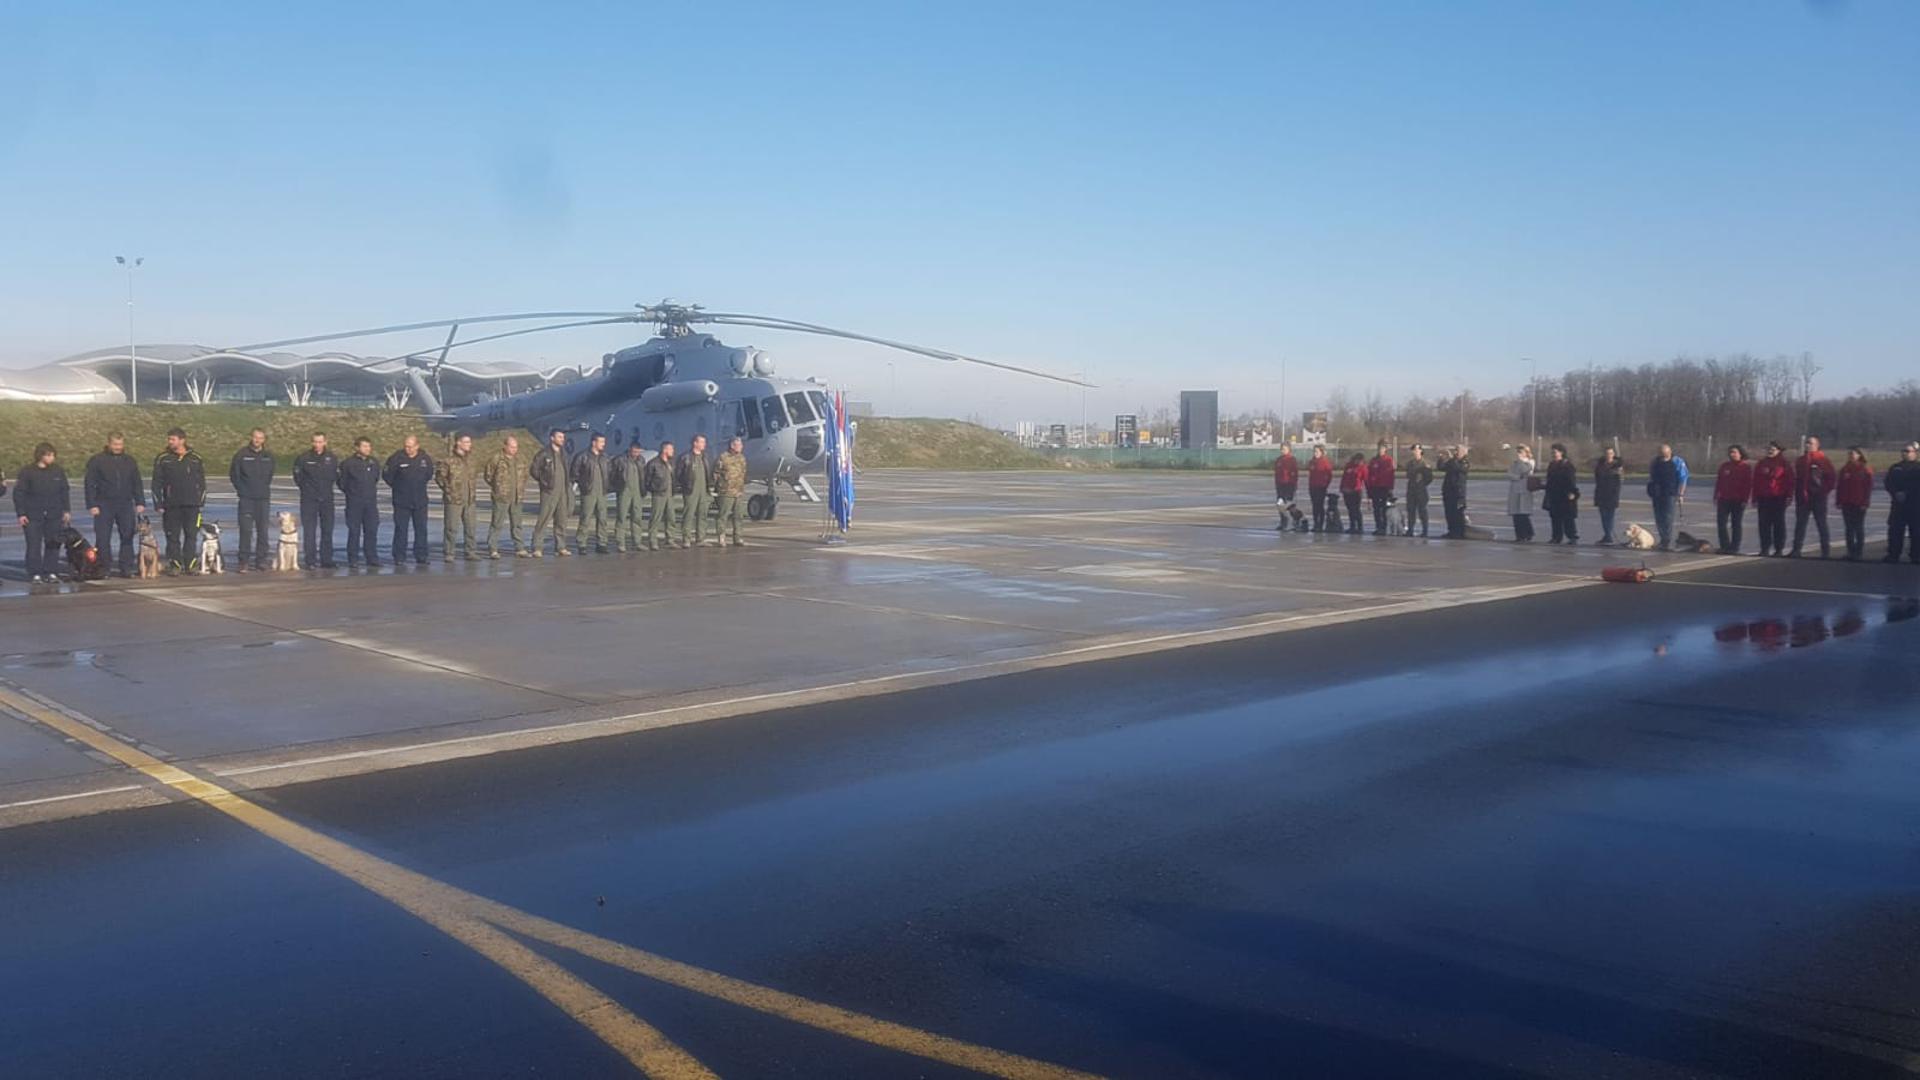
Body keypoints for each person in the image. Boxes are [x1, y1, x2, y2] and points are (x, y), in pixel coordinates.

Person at [84, 433, 146, 577]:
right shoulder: (97, 461)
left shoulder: (129, 461)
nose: (118, 447)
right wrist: (92, 504)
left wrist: (140, 501)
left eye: (120, 444)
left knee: (127, 535)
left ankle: (126, 567)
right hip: (104, 504)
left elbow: (137, 482)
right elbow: (89, 483)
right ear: (109, 444)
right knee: (102, 538)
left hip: (125, 503)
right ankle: (104, 568)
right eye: (115, 444)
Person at [13, 442, 70, 583]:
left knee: (53, 543)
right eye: (49, 455)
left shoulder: (58, 471)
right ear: (40, 456)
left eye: (53, 455)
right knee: (34, 545)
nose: (52, 458)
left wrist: (66, 510)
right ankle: (35, 573)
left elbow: (64, 491)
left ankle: (51, 571)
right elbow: (19, 493)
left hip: (54, 514)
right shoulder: (27, 472)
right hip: (33, 515)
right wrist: (21, 513)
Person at [151, 428, 206, 573]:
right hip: (172, 505)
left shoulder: (195, 458)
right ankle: (175, 564)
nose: (170, 442)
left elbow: (201, 482)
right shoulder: (163, 458)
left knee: (191, 535)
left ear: (182, 440)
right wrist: (158, 503)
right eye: (169, 439)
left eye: (173, 439)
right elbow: (156, 483)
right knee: (172, 536)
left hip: (192, 505)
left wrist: (201, 501)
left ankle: (190, 564)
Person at [229, 428, 276, 573]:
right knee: (246, 530)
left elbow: (270, 475)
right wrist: (242, 490)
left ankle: (261, 560)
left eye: (260, 438)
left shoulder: (268, 456)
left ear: (264, 439)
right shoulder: (241, 455)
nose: (257, 440)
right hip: (247, 499)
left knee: (263, 531)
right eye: (255, 437)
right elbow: (234, 475)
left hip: (263, 498)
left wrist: (262, 488)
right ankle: (243, 561)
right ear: (251, 437)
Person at [383, 435, 434, 566]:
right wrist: (399, 487)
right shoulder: (396, 458)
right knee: (401, 529)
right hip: (401, 500)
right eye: (406, 446)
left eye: (410, 447)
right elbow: (387, 476)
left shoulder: (425, 459)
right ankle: (399, 556)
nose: (408, 449)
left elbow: (428, 474)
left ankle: (421, 555)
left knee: (421, 529)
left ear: (417, 446)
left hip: (420, 500)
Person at [292, 432, 339, 569]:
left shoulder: (332, 458)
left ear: (325, 442)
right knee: (309, 530)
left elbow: (336, 476)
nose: (318, 444)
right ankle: (310, 560)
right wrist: (306, 489)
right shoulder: (304, 458)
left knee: (327, 530)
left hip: (327, 499)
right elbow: (298, 476)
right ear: (312, 442)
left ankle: (326, 559)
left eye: (320, 442)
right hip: (309, 499)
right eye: (315, 442)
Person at [338, 436, 383, 569]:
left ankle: (372, 557)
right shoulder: (348, 464)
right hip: (354, 502)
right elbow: (342, 483)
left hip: (370, 502)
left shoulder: (374, 462)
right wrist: (352, 492)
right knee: (354, 531)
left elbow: (375, 478)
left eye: (369, 446)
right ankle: (353, 559)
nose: (367, 449)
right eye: (364, 446)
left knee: (371, 530)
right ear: (357, 448)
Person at [434, 432, 480, 561]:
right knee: (451, 527)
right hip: (454, 499)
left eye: (470, 442)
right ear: (458, 443)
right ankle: (449, 552)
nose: (469, 444)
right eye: (466, 442)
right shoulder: (448, 461)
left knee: (471, 527)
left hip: (469, 499)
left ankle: (470, 551)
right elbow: (440, 478)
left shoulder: (472, 460)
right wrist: (449, 490)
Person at [528, 429, 574, 558]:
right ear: (552, 438)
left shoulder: (564, 454)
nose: (562, 440)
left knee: (561, 520)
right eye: (559, 437)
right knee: (544, 519)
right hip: (549, 491)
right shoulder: (544, 454)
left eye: (563, 437)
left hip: (562, 491)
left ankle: (561, 547)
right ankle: (537, 547)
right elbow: (534, 470)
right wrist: (544, 482)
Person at [1790, 435, 1836, 559]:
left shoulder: (1822, 460)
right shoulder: (1801, 460)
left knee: (1821, 523)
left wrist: (1823, 491)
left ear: (1817, 445)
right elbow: (1797, 478)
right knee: (1800, 524)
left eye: (1810, 443)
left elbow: (1831, 478)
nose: (1808, 445)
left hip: (1817, 497)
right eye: (1807, 443)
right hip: (1803, 497)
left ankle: (1825, 550)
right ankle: (1796, 549)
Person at [483, 435, 529, 559]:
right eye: (512, 447)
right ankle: (493, 548)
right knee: (497, 523)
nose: (514, 449)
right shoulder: (496, 459)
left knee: (517, 524)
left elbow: (525, 475)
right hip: (501, 497)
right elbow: (488, 475)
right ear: (505, 446)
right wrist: (498, 487)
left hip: (517, 496)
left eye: (516, 447)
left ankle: (520, 548)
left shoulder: (520, 459)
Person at [1751, 442, 1793, 557]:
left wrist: (1789, 496)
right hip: (1763, 498)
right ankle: (1764, 548)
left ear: (1779, 451)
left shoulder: (1784, 464)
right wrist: (1754, 497)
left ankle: (1779, 549)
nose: (1770, 451)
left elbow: (1790, 481)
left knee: (1778, 524)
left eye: (1773, 449)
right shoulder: (1761, 463)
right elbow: (1756, 481)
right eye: (1769, 449)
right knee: (1763, 524)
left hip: (1778, 497)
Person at [571, 432, 611, 554]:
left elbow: (609, 471)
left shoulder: (605, 457)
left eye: (604, 442)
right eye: (601, 442)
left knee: (603, 518)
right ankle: (582, 543)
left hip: (602, 492)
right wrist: (582, 484)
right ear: (594, 442)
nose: (603, 444)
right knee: (585, 518)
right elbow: (574, 473)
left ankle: (602, 543)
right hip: (588, 492)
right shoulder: (582, 456)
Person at [677, 434, 717, 547]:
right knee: (689, 514)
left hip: (703, 490)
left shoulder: (705, 457)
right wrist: (684, 485)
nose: (704, 444)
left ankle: (701, 538)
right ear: (695, 443)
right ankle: (686, 539)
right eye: (702, 442)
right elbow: (679, 474)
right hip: (691, 490)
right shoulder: (686, 457)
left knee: (702, 514)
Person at [1712, 445, 1753, 555]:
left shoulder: (1745, 467)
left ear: (1740, 454)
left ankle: (1734, 547)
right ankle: (1725, 546)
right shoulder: (1724, 466)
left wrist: (1745, 499)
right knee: (1721, 523)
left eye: (1734, 452)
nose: (1732, 454)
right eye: (1730, 452)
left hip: (1738, 500)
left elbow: (1748, 485)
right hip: (1724, 499)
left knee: (1736, 524)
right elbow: (1719, 482)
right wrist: (1716, 496)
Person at [609, 440, 648, 553]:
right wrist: (616, 487)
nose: (636, 454)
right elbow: (612, 474)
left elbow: (643, 476)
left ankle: (637, 542)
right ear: (630, 449)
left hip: (637, 491)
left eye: (638, 452)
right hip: (624, 491)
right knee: (622, 517)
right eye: (634, 451)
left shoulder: (641, 460)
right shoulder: (620, 460)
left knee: (637, 517)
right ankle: (620, 543)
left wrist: (643, 489)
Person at [1835, 446, 1873, 562]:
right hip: (1846, 502)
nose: (1851, 456)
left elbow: (1868, 488)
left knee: (1858, 527)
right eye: (1850, 454)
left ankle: (1858, 552)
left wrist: (1865, 502)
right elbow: (1840, 486)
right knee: (1849, 528)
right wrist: (1839, 501)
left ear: (1859, 455)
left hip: (1859, 502)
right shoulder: (1845, 469)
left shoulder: (1865, 469)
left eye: (1854, 454)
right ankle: (1850, 551)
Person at [1885, 441, 1920, 565]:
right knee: (1895, 530)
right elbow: (1888, 482)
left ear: (1915, 453)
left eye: (1908, 451)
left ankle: (1916, 555)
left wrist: (1907, 493)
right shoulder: (1895, 467)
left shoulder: (1918, 468)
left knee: (1916, 531)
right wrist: (1895, 493)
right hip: (1898, 504)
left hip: (1914, 505)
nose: (1905, 453)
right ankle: (1893, 554)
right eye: (1903, 451)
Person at [642, 440, 679, 550]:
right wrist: (654, 489)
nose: (673, 451)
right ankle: (653, 541)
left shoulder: (671, 463)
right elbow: (647, 479)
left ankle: (670, 540)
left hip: (669, 494)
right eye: (671, 449)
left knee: (671, 518)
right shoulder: (653, 463)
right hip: (658, 494)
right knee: (656, 518)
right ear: (665, 450)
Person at [714, 436, 750, 547]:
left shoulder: (742, 458)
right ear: (732, 445)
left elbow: (743, 472)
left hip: (738, 492)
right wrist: (720, 486)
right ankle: (721, 537)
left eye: (741, 445)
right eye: (739, 445)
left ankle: (738, 537)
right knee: (723, 515)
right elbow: (716, 473)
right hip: (726, 492)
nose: (741, 447)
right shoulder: (723, 457)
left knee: (738, 516)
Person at [1646, 444, 1682, 550]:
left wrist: (1680, 493)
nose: (1663, 454)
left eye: (1665, 452)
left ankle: (1667, 540)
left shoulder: (1676, 462)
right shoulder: (1655, 463)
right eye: (1661, 452)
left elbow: (1682, 478)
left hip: (1669, 494)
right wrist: (1651, 489)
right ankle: (1663, 539)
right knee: (1659, 517)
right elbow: (1651, 477)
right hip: (1657, 494)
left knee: (1667, 518)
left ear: (1669, 452)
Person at [1542, 443, 1579, 544]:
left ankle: (1572, 536)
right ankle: (1556, 537)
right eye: (1552, 452)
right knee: (1555, 516)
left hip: (1565, 494)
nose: (1553, 454)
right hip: (1554, 494)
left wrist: (1572, 492)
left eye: (1555, 452)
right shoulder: (1552, 465)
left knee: (1567, 517)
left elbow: (1571, 480)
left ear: (1561, 452)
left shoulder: (1567, 465)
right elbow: (1549, 479)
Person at [1592, 447, 1623, 546]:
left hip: (1612, 493)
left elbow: (1619, 481)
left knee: (1609, 516)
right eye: (1607, 453)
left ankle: (1608, 536)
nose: (1609, 455)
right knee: (1603, 516)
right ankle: (1607, 535)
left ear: (1613, 454)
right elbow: (1597, 479)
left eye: (1610, 453)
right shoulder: (1600, 466)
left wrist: (1615, 493)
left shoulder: (1617, 466)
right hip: (1601, 493)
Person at [1506, 445, 1537, 542]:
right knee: (1516, 513)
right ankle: (1519, 535)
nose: (1518, 454)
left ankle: (1528, 533)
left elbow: (1526, 471)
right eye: (1518, 452)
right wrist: (1517, 477)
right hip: (1515, 489)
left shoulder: (1530, 462)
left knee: (1523, 513)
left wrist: (1521, 462)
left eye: (1520, 452)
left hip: (1525, 489)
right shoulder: (1514, 463)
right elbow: (1509, 474)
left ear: (1526, 453)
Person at [1439, 445, 1471, 539]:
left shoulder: (1464, 462)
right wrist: (1441, 458)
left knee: (1458, 514)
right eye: (1455, 450)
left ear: (1463, 453)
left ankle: (1459, 533)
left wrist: (1452, 459)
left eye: (1458, 451)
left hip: (1458, 493)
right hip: (1449, 492)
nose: (1455, 453)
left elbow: (1458, 468)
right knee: (1449, 513)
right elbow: (1441, 467)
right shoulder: (1453, 461)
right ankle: (1451, 531)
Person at [1366, 440, 1396, 535]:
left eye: (1382, 448)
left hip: (1384, 487)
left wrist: (1390, 488)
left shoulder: (1388, 460)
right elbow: (1369, 474)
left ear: (1385, 449)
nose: (1380, 450)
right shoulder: (1373, 460)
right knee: (1376, 509)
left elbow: (1391, 475)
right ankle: (1378, 526)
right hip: (1375, 488)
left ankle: (1384, 527)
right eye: (1379, 448)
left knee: (1384, 509)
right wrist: (1369, 488)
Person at [1403, 445, 1433, 538]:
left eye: (1417, 450)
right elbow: (1408, 475)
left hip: (1421, 490)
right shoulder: (1410, 463)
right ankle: (1410, 530)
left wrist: (1422, 483)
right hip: (1411, 490)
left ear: (1421, 451)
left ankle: (1425, 531)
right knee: (1411, 511)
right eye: (1414, 450)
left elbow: (1429, 478)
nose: (1415, 452)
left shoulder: (1425, 463)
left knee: (1422, 511)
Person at [1307, 445, 1334, 532]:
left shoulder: (1325, 462)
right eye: (1314, 451)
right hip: (1312, 487)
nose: (1315, 453)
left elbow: (1329, 475)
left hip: (1321, 487)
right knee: (1314, 506)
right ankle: (1316, 524)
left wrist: (1325, 485)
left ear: (1321, 452)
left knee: (1320, 506)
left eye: (1317, 451)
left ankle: (1321, 524)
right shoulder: (1312, 462)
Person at [1272, 444, 1299, 532]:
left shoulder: (1292, 459)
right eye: (1282, 449)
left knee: (1289, 505)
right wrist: (1277, 484)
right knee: (1280, 504)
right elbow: (1277, 473)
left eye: (1284, 449)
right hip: (1280, 486)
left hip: (1289, 485)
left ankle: (1297, 520)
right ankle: (1283, 522)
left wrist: (1293, 485)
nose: (1282, 450)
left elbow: (1294, 473)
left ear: (1289, 450)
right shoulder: (1279, 460)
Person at [1339, 452, 1367, 534]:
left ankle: (1360, 527)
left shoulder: (1363, 467)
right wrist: (1342, 487)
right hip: (1347, 491)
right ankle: (1352, 526)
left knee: (1356, 509)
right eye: (1357, 460)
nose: (1358, 462)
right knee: (1350, 509)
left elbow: (1366, 479)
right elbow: (1344, 477)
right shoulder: (1349, 466)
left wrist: (1368, 490)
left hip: (1356, 491)